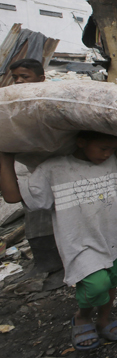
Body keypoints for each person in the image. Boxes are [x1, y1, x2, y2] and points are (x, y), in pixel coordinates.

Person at [0, 131, 117, 351]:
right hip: (78, 239)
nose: (107, 154)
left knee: (113, 279)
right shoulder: (54, 168)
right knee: (96, 284)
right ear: (81, 142)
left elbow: (115, 185)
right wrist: (5, 159)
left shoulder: (109, 161)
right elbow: (13, 197)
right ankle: (82, 317)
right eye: (103, 148)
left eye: (112, 149)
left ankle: (103, 319)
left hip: (109, 235)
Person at [1, 59, 64, 282]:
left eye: (24, 77)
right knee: (35, 215)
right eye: (15, 77)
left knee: (64, 214)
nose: (19, 81)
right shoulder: (10, 104)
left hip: (57, 167)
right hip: (27, 169)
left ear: (41, 79)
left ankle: (64, 264)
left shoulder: (51, 101)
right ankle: (46, 263)